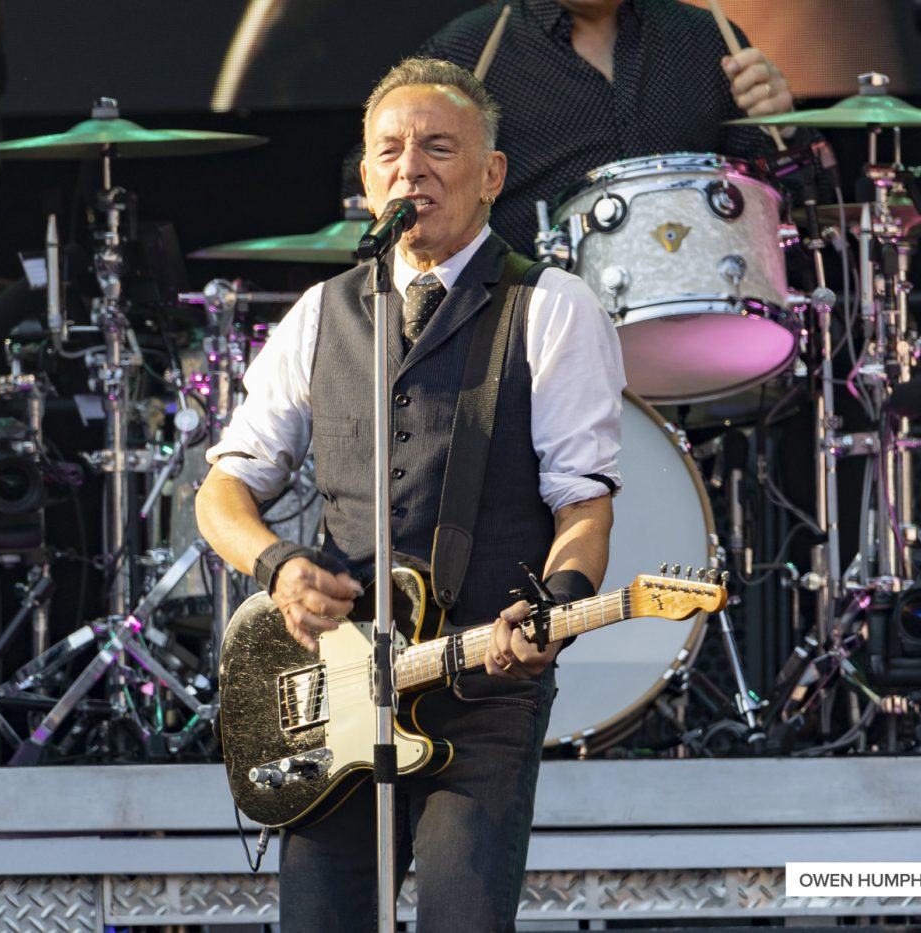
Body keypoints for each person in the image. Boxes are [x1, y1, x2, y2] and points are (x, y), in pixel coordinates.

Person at [196, 58, 624, 932]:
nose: (410, 168)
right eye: (389, 150)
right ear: (365, 177)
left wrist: (557, 611)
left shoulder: (550, 306)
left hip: (482, 692)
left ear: (492, 173)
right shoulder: (322, 311)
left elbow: (584, 507)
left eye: (438, 147)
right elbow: (223, 491)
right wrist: (277, 566)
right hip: (335, 693)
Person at [416, 0, 800, 254]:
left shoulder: (705, 36)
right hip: (532, 327)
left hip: (698, 314)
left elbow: (779, 189)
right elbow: (383, 177)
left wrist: (784, 123)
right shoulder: (465, 51)